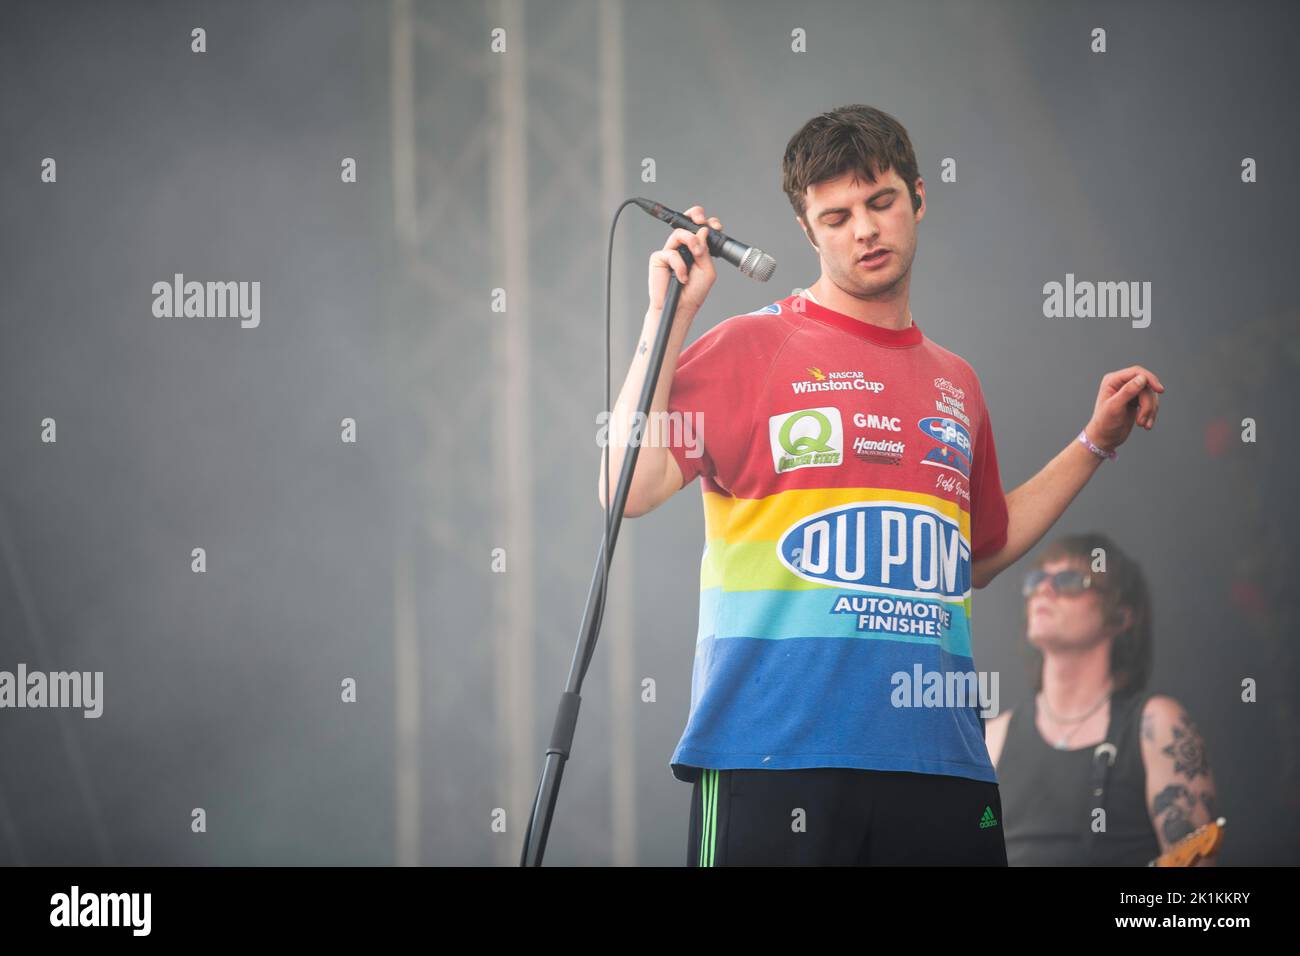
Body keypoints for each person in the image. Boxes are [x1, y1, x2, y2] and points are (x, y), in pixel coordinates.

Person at [597, 104, 1165, 866]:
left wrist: (1095, 441)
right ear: (807, 231)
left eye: (881, 202)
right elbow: (625, 487)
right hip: (773, 758)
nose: (863, 229)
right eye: (835, 216)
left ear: (919, 198)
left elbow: (980, 553)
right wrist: (664, 316)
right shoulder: (750, 346)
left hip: (941, 764)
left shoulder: (957, 383)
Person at [985, 533, 1220, 866]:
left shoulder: (1157, 725)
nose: (1044, 589)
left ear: (1121, 617)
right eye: (1037, 579)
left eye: (1068, 580)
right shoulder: (992, 737)